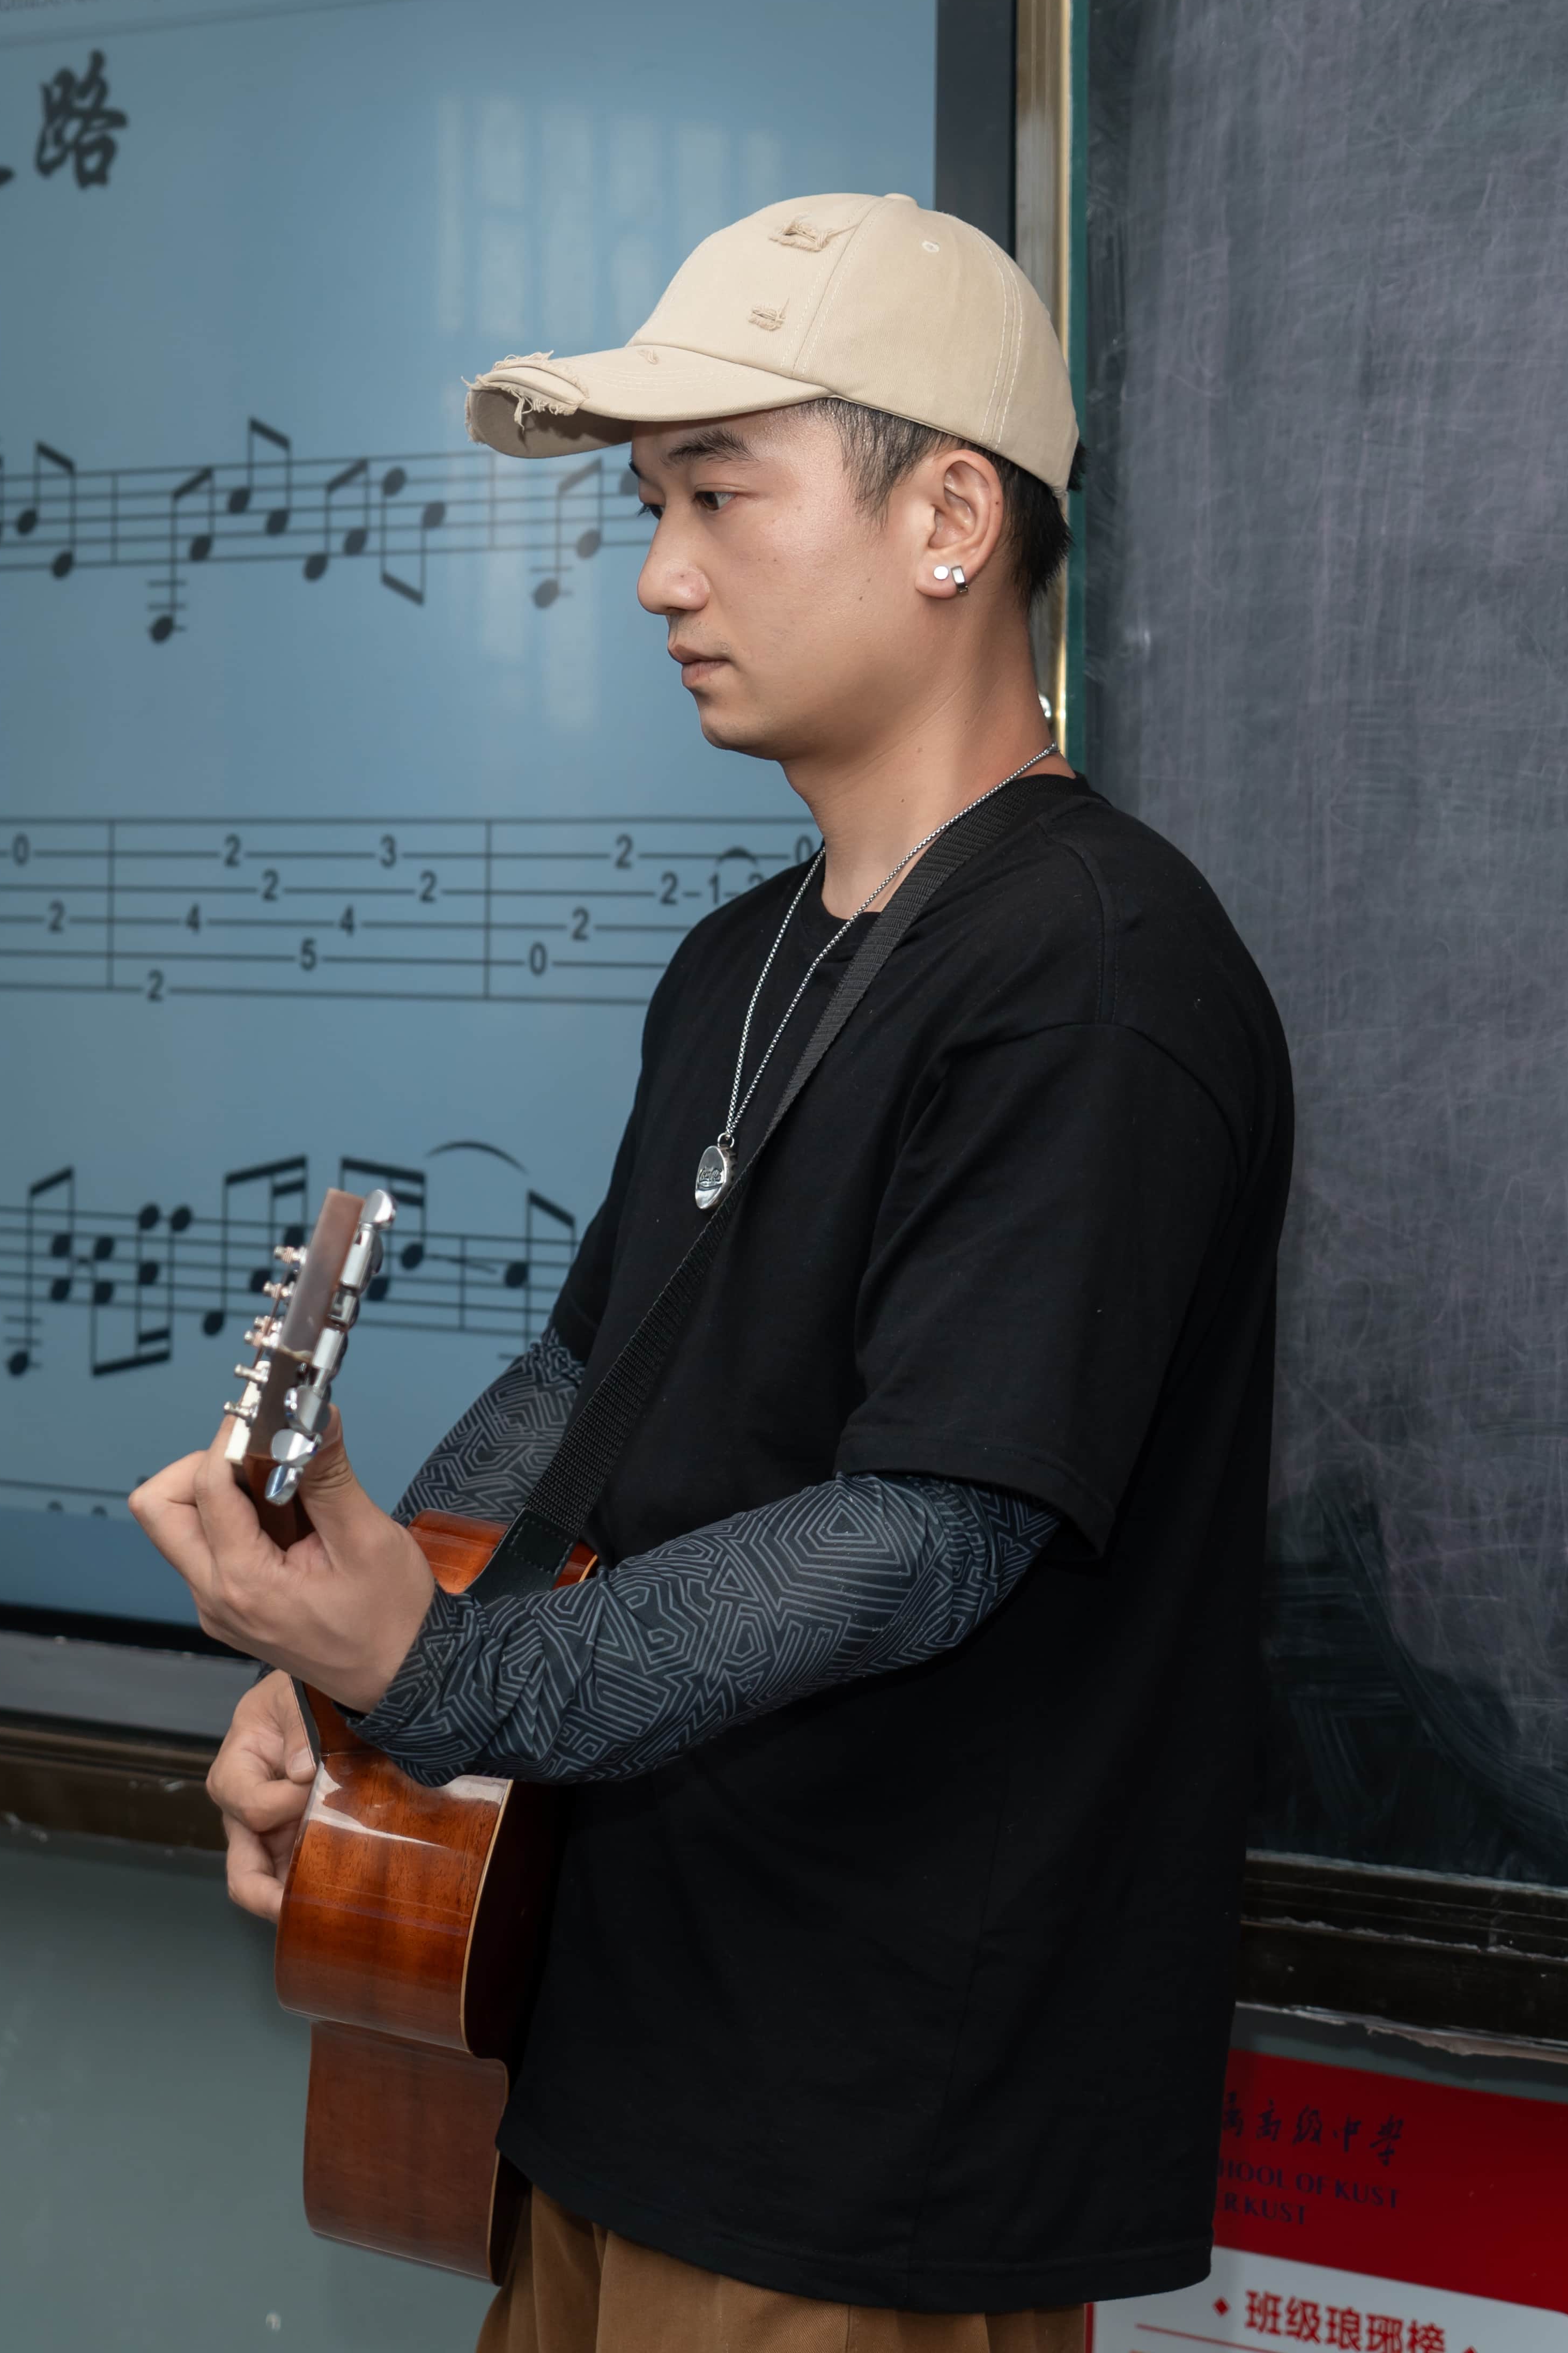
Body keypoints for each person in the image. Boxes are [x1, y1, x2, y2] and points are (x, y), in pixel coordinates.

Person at [129, 193, 1293, 2351]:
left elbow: (921, 1540)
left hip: (864, 2150)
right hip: (598, 2065)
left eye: (718, 497)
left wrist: (443, 1677)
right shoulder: (740, 961)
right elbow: (591, 1387)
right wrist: (351, 1681)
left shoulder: (1095, 975)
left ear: (950, 518)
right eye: (649, 509)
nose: (659, 575)